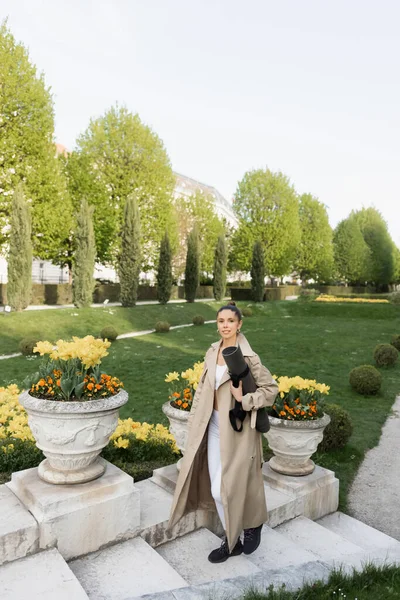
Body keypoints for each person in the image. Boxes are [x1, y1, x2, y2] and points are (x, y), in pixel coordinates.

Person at [168, 302, 279, 563]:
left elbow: (271, 391)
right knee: (217, 487)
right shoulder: (211, 352)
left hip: (238, 431)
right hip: (213, 427)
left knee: (225, 490)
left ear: (239, 324)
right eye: (220, 321)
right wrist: (195, 424)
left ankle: (250, 525)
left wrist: (245, 399)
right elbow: (203, 391)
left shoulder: (248, 356)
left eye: (230, 320)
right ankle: (232, 541)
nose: (225, 325)